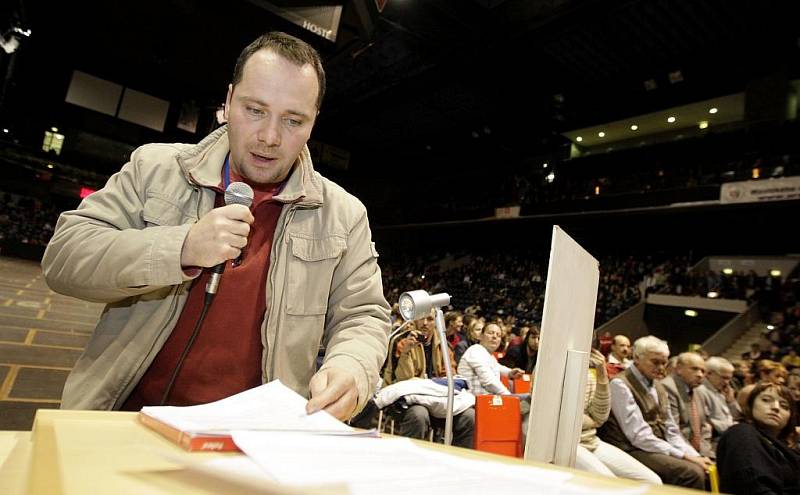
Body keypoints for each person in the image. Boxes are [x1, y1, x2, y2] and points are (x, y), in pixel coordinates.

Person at [41, 32, 391, 421]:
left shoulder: (345, 215)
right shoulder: (155, 167)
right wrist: (182, 248)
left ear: (313, 124)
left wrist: (351, 369)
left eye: (293, 120)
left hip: (255, 444)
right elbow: (65, 256)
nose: (270, 137)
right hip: (124, 423)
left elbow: (363, 316)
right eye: (255, 110)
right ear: (227, 102)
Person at [599, 336, 712, 489]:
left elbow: (671, 429)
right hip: (630, 447)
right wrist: (684, 456)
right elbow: (638, 435)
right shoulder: (620, 384)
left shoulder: (658, 386)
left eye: (664, 362)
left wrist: (695, 455)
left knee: (706, 467)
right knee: (691, 473)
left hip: (654, 444)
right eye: (655, 362)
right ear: (637, 358)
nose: (661, 367)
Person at [384, 311, 475, 448]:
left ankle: (456, 462)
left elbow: (450, 380)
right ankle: (407, 461)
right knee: (419, 414)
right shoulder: (401, 341)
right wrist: (406, 353)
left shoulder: (445, 346)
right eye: (421, 318)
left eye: (430, 319)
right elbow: (403, 382)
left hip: (436, 401)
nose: (425, 323)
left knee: (469, 416)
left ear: (437, 322)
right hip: (405, 400)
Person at [576, 349, 662, 484]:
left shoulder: (591, 374)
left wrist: (602, 374)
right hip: (571, 445)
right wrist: (588, 420)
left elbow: (599, 418)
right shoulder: (549, 369)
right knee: (612, 487)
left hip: (591, 440)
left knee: (653, 481)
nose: (661, 368)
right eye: (656, 362)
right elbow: (565, 420)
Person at [716, 382, 800, 495]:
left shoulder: (782, 446)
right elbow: (753, 487)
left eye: (784, 406)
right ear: (750, 406)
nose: (776, 407)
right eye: (766, 400)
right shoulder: (742, 433)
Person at [660, 352, 714, 458]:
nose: (700, 375)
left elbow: (704, 428)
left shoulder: (699, 391)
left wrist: (705, 455)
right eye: (694, 369)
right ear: (679, 368)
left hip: (699, 451)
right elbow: (673, 432)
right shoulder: (667, 387)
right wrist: (697, 457)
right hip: (678, 451)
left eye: (703, 371)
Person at [457, 323, 523, 395]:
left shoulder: (489, 355)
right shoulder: (475, 351)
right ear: (481, 336)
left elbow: (497, 367)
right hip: (472, 402)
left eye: (498, 335)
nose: (494, 336)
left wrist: (509, 373)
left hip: (487, 401)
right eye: (490, 333)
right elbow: (489, 382)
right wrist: (509, 397)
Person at [695, 357, 741, 446]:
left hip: (728, 437)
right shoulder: (700, 391)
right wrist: (733, 426)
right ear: (709, 374)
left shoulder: (722, 390)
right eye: (724, 378)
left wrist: (731, 402)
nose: (727, 382)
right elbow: (707, 424)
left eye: (729, 379)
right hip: (714, 441)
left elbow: (736, 416)